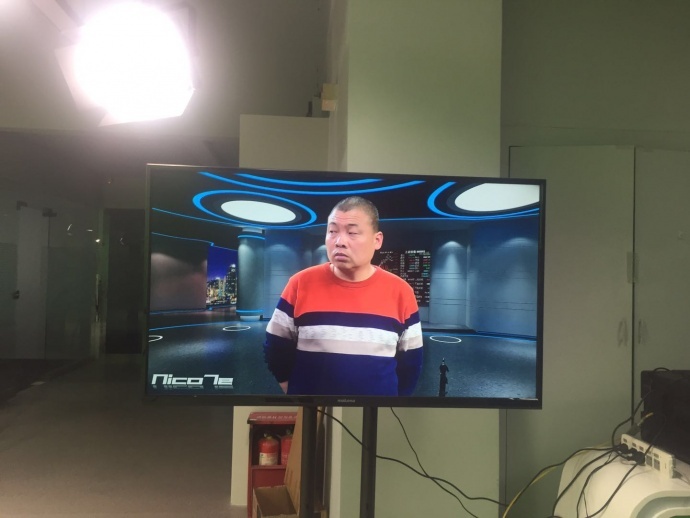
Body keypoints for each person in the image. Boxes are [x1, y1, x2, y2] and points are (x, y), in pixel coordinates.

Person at [264, 196, 423, 396]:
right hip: (312, 409)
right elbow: (275, 346)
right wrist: (292, 389)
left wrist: (393, 403)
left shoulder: (401, 292)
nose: (339, 242)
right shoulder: (300, 284)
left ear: (377, 240)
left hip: (377, 410)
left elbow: (411, 362)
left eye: (352, 233)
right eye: (332, 232)